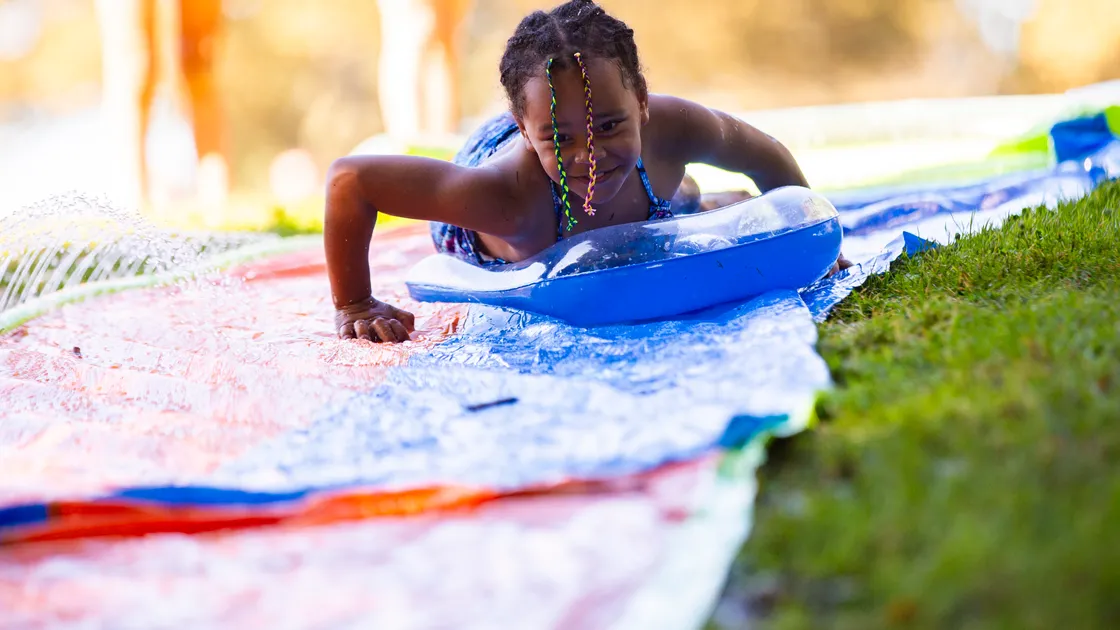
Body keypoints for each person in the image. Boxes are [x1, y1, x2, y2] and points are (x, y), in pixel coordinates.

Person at [326, 0, 849, 343]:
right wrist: (354, 302)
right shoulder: (506, 198)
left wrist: (813, 239)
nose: (590, 157)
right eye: (563, 141)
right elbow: (351, 180)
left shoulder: (670, 127)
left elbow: (764, 153)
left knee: (670, 192)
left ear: (641, 99)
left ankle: (694, 198)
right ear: (529, 133)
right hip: (504, 172)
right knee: (632, 171)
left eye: (611, 125)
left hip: (586, 134)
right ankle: (579, 143)